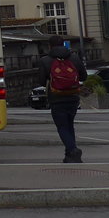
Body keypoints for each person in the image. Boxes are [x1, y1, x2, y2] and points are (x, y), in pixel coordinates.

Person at [39, 35, 88, 163]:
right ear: (63, 44)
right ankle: (70, 156)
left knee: (62, 127)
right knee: (69, 125)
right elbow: (84, 77)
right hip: (73, 97)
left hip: (56, 98)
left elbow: (41, 81)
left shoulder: (45, 60)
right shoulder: (74, 58)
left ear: (50, 46)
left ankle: (73, 150)